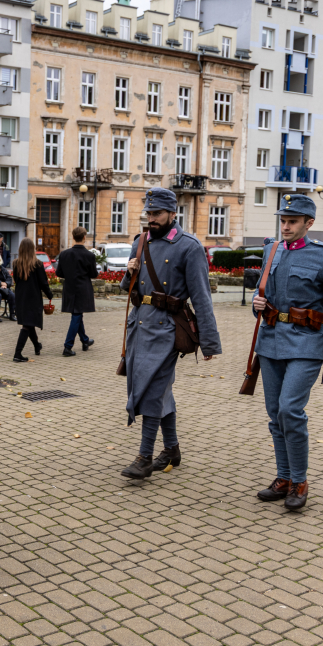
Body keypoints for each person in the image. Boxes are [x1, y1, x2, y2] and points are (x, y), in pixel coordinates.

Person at [251, 194, 323, 510]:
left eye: (292, 222)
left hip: (306, 344)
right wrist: (256, 304)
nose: (285, 227)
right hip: (271, 340)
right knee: (275, 415)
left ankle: (300, 481)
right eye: (283, 221)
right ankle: (284, 477)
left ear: (309, 223)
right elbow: (262, 294)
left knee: (290, 409)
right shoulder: (271, 251)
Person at [119, 188, 221, 480]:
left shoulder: (188, 246)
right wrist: (130, 272)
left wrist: (209, 342)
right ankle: (172, 449)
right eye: (148, 213)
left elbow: (201, 297)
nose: (151, 219)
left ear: (172, 214)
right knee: (160, 389)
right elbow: (129, 289)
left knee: (152, 389)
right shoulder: (140, 242)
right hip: (139, 326)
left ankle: (144, 457)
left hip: (167, 329)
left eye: (157, 214)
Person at [55, 227, 99, 357]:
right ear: (84, 237)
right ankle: (67, 347)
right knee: (76, 316)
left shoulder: (64, 254)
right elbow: (93, 274)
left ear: (73, 237)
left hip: (69, 288)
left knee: (77, 314)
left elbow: (59, 273)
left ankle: (85, 340)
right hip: (83, 288)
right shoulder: (89, 255)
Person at [11, 238, 53, 362]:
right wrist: (49, 295)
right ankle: (17, 354)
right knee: (27, 325)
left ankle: (37, 345)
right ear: (32, 249)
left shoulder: (16, 263)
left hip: (20, 297)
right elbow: (43, 283)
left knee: (29, 323)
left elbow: (16, 281)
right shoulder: (38, 264)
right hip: (33, 297)